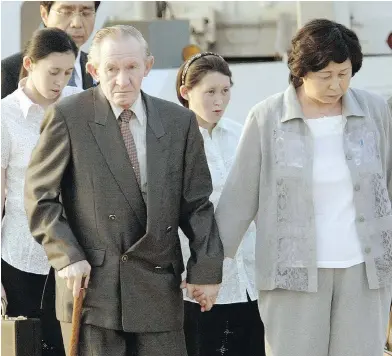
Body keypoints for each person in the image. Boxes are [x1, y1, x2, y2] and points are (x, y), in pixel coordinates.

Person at [24, 25, 223, 356]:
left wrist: (206, 271)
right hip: (92, 289)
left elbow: (197, 204)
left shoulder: (179, 122)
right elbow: (39, 197)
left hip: (158, 287)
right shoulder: (68, 116)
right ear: (93, 70)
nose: (122, 80)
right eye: (111, 69)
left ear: (147, 65)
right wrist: (66, 256)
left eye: (132, 67)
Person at [215, 18, 392, 356]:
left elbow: (388, 182)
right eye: (325, 76)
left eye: (344, 74)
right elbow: (238, 199)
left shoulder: (374, 111)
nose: (336, 85)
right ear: (301, 71)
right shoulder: (267, 117)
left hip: (365, 272)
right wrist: (208, 271)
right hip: (291, 274)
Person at [175, 52, 265, 356]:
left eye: (225, 91)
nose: (219, 101)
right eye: (210, 92)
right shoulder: (173, 143)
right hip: (198, 281)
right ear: (186, 93)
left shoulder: (242, 135)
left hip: (250, 278)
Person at [1, 27, 81, 355]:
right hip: (21, 257)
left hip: (77, 256)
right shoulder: (5, 116)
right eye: (53, 72)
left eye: (67, 72)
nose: (60, 82)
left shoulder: (81, 105)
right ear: (30, 63)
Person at [1, 1, 100, 98]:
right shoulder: (9, 70)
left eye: (86, 13)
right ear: (44, 14)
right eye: (66, 12)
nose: (77, 23)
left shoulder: (99, 68)